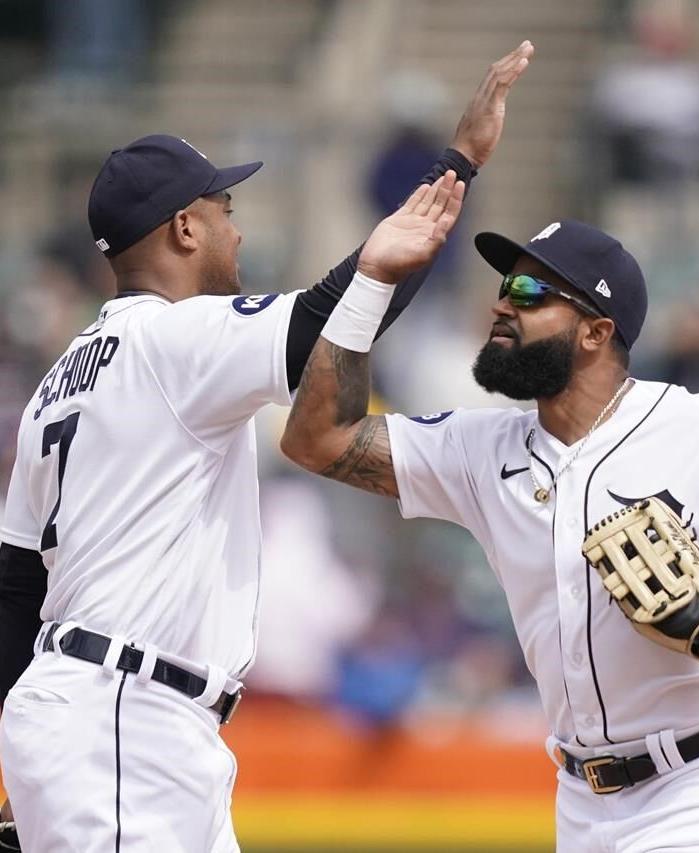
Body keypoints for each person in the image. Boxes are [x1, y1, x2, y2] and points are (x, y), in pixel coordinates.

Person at [0, 41, 535, 851]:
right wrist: (457, 163)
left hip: (116, 719)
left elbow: (12, 591)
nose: (236, 231)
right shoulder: (176, 339)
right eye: (224, 211)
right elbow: (326, 328)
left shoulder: (58, 382)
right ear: (184, 227)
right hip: (121, 716)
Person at [281, 217, 699, 850]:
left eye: (530, 293)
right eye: (505, 286)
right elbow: (316, 439)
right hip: (580, 805)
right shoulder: (479, 449)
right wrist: (374, 280)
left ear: (595, 331)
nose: (503, 303)